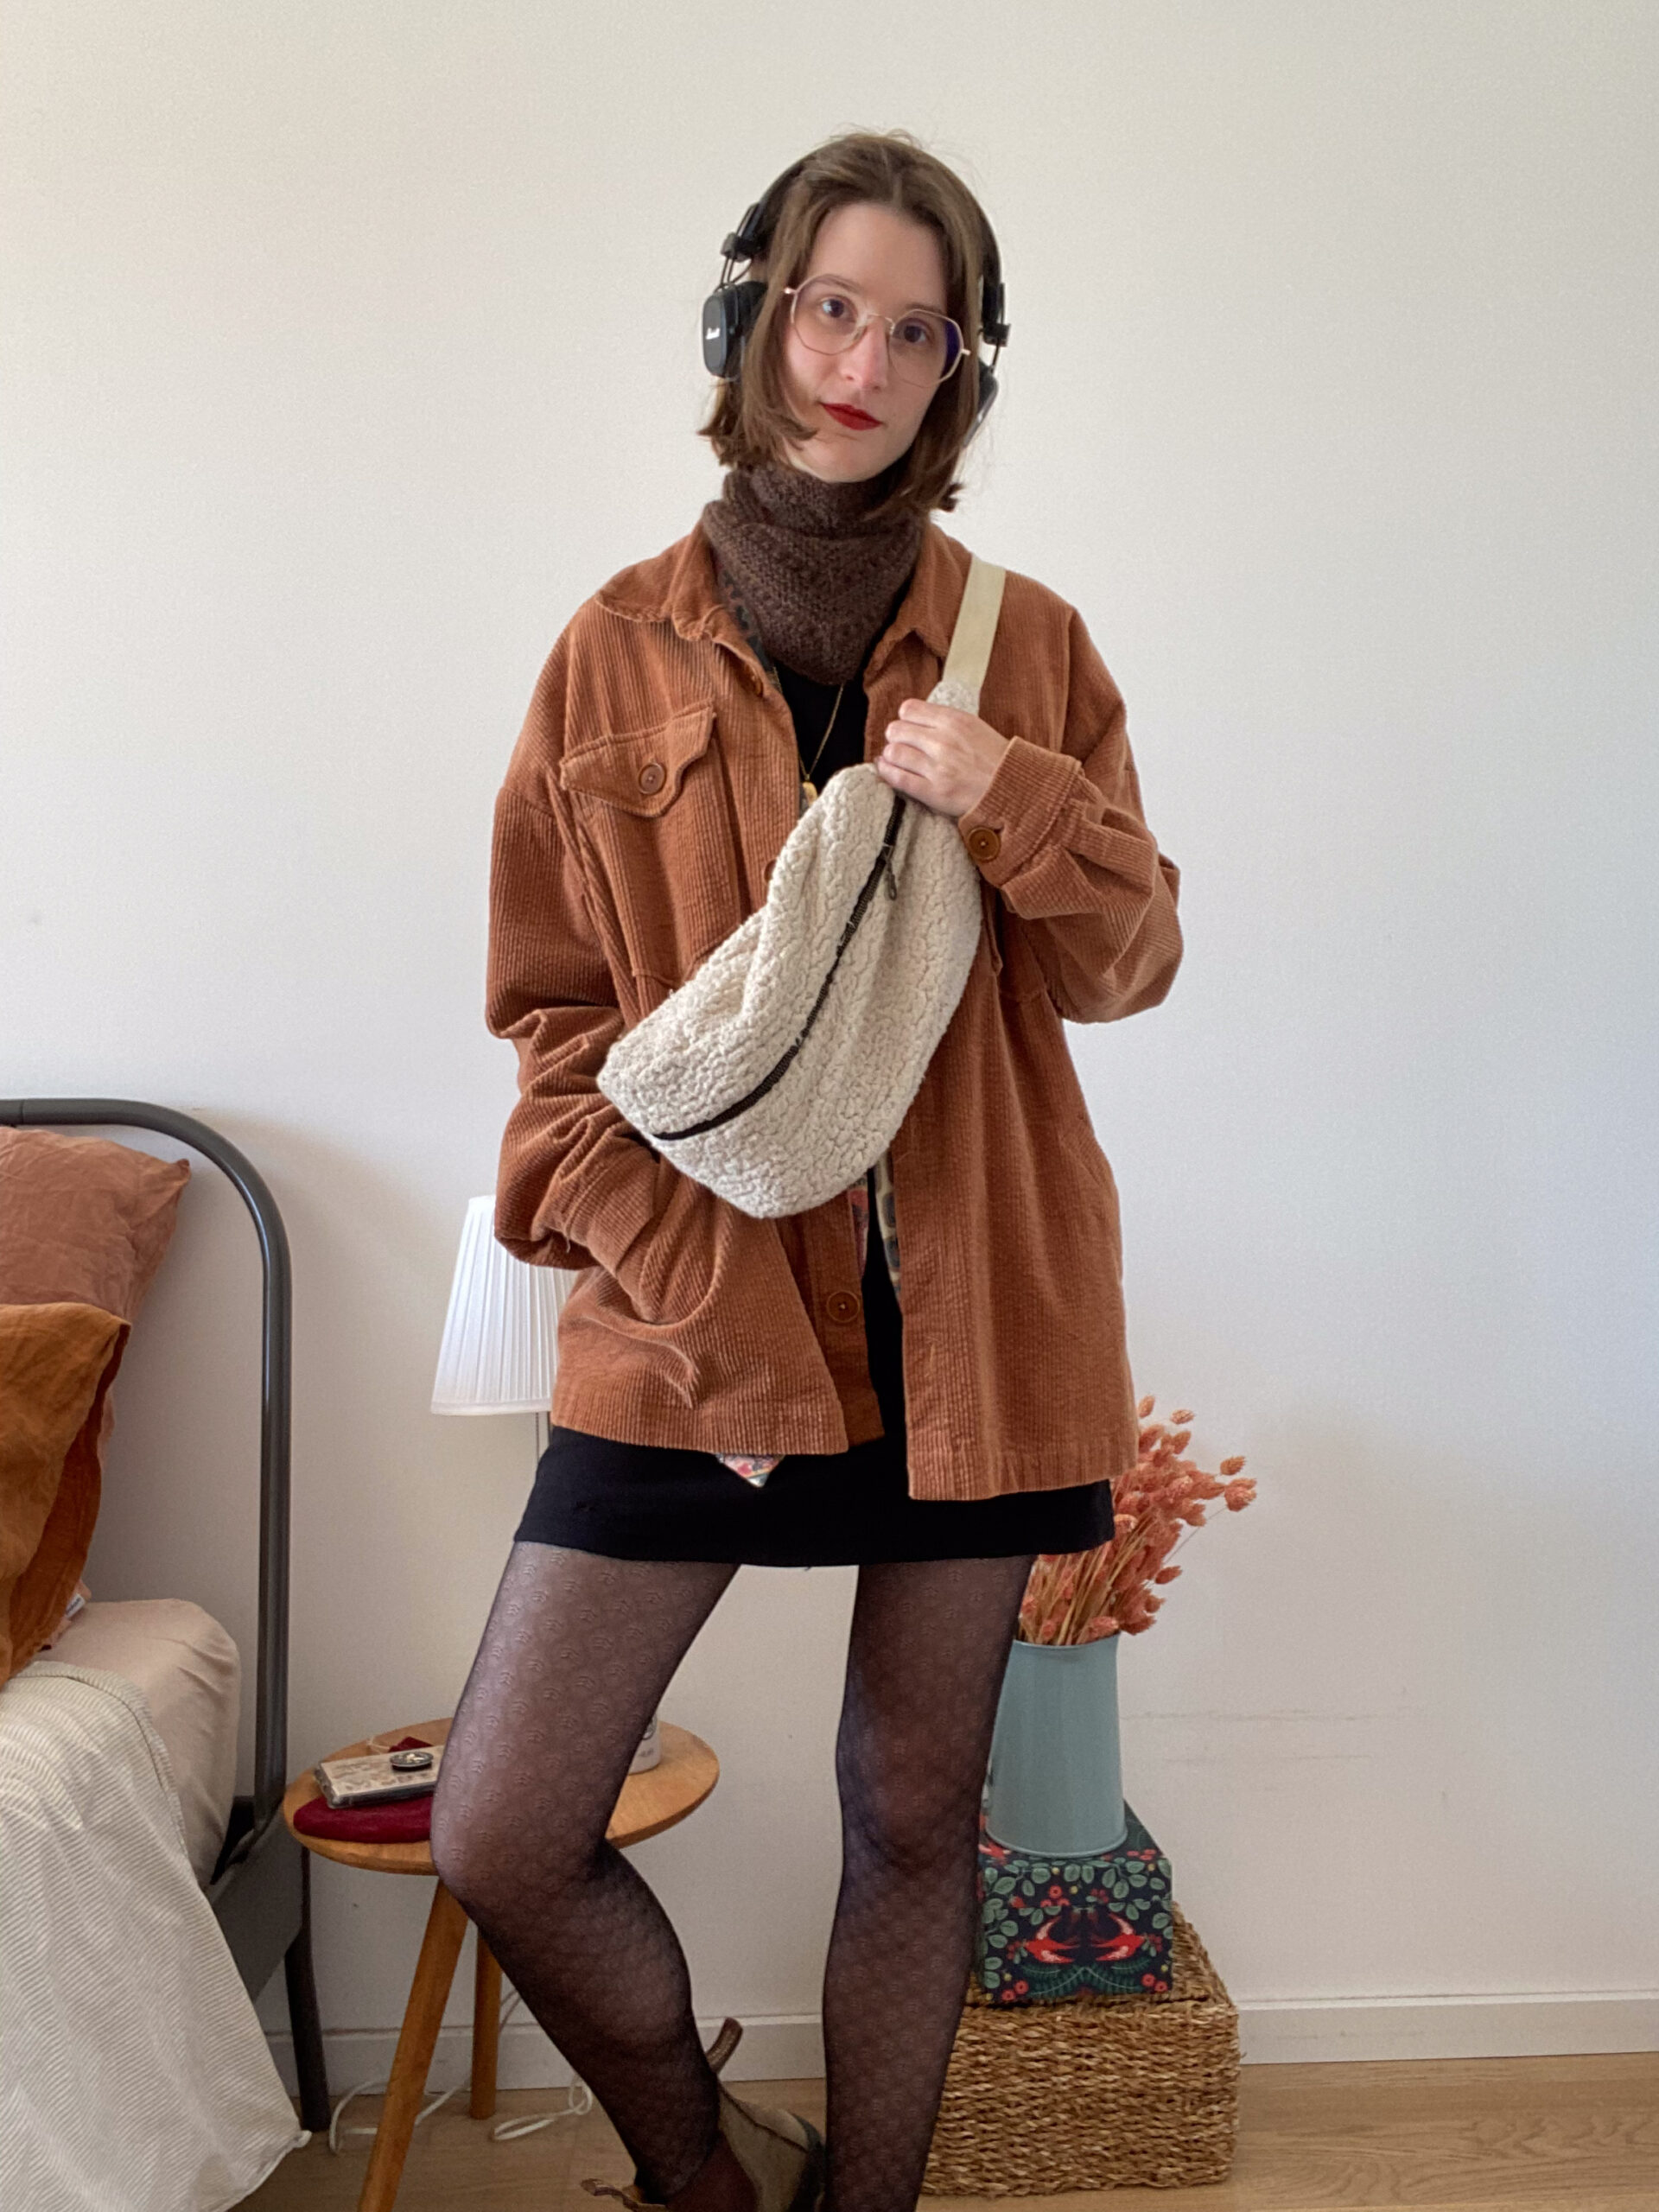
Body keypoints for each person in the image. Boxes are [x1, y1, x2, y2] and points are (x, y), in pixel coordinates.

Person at [430, 129, 1183, 2212]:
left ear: (962, 374)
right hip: (696, 1327)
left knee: (916, 1809)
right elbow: (556, 1031)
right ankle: (702, 2175)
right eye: (829, 305)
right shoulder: (610, 650)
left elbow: (1132, 958)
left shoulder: (1032, 648)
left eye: (916, 328)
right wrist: (672, 1278)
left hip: (981, 1328)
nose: (863, 358)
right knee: (507, 1821)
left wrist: (1013, 792)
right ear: (752, 319)